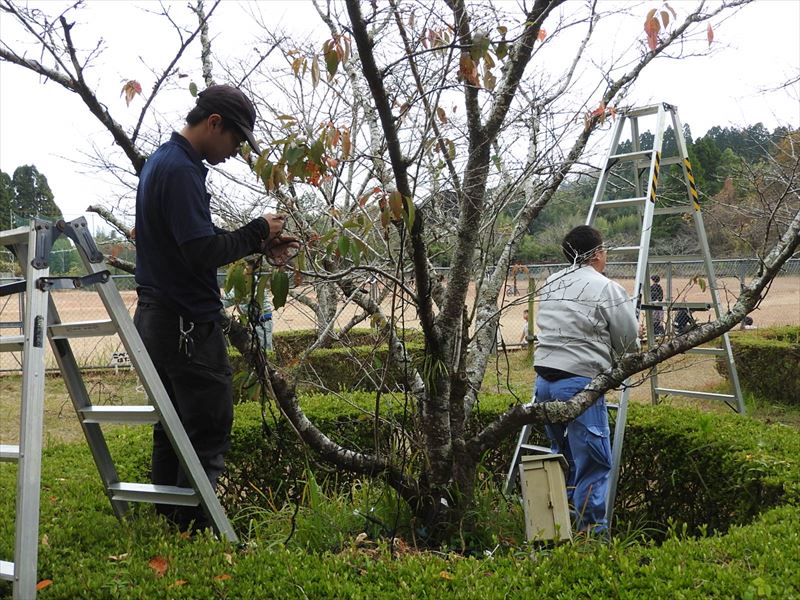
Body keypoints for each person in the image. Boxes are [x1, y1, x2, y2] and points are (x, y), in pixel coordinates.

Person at [133, 84, 299, 531]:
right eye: (237, 140)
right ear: (213, 124)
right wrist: (256, 230)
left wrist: (257, 243)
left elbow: (187, 246)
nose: (236, 151)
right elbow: (200, 252)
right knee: (207, 427)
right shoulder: (182, 170)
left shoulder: (159, 163)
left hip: (155, 319)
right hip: (186, 325)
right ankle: (198, 531)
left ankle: (170, 525)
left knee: (172, 428)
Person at [533, 225, 639, 534]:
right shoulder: (605, 287)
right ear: (595, 254)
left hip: (544, 382)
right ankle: (590, 537)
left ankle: (556, 528)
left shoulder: (552, 282)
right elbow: (628, 340)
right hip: (579, 382)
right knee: (593, 462)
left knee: (561, 458)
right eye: (604, 249)